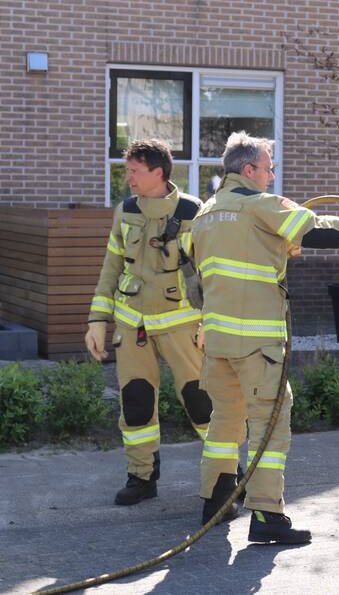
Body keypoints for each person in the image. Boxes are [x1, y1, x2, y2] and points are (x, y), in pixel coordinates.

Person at [188, 131, 339, 544]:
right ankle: (267, 516)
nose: (272, 176)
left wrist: (276, 250)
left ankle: (215, 503)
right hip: (257, 343)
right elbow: (320, 230)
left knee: (225, 422)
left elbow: (215, 268)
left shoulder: (206, 213)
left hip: (217, 342)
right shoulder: (260, 204)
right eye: (268, 168)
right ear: (248, 170)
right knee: (269, 423)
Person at [85, 138, 212, 506]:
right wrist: (97, 320)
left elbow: (211, 275)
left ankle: (225, 477)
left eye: (135, 171)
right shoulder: (125, 211)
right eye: (128, 170)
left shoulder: (193, 211)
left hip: (183, 326)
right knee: (136, 401)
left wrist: (209, 323)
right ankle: (142, 477)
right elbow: (111, 267)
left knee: (201, 401)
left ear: (159, 172)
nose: (129, 178)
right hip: (132, 326)